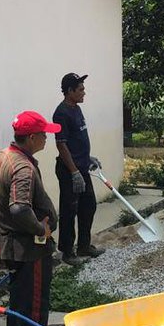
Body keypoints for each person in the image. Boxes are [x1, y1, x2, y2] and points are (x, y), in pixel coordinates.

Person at [0, 110, 60, 326]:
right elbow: (19, 208)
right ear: (32, 137)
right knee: (28, 302)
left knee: (32, 298)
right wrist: (40, 229)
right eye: (43, 135)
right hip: (27, 248)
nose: (46, 139)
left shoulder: (6, 156)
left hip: (21, 246)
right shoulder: (22, 167)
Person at [53, 72, 103, 266]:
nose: (84, 92)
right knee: (69, 210)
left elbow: (77, 139)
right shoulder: (61, 113)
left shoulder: (76, 109)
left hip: (81, 167)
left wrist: (87, 157)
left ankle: (84, 246)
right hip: (69, 171)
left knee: (88, 206)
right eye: (80, 89)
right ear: (70, 91)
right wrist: (74, 171)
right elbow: (61, 144)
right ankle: (67, 252)